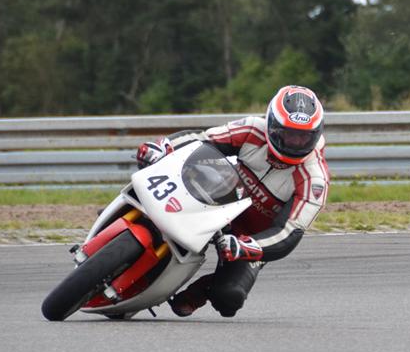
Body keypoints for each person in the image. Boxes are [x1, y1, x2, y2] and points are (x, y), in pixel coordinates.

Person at [134, 85, 329, 318]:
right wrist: (164, 146)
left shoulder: (314, 178)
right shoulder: (253, 129)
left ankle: (203, 290)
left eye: (303, 136)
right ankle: (129, 211)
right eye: (288, 133)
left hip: (248, 238)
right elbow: (202, 140)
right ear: (272, 124)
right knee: (156, 168)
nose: (294, 142)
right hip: (215, 202)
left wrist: (251, 246)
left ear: (316, 134)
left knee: (229, 298)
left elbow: (290, 233)